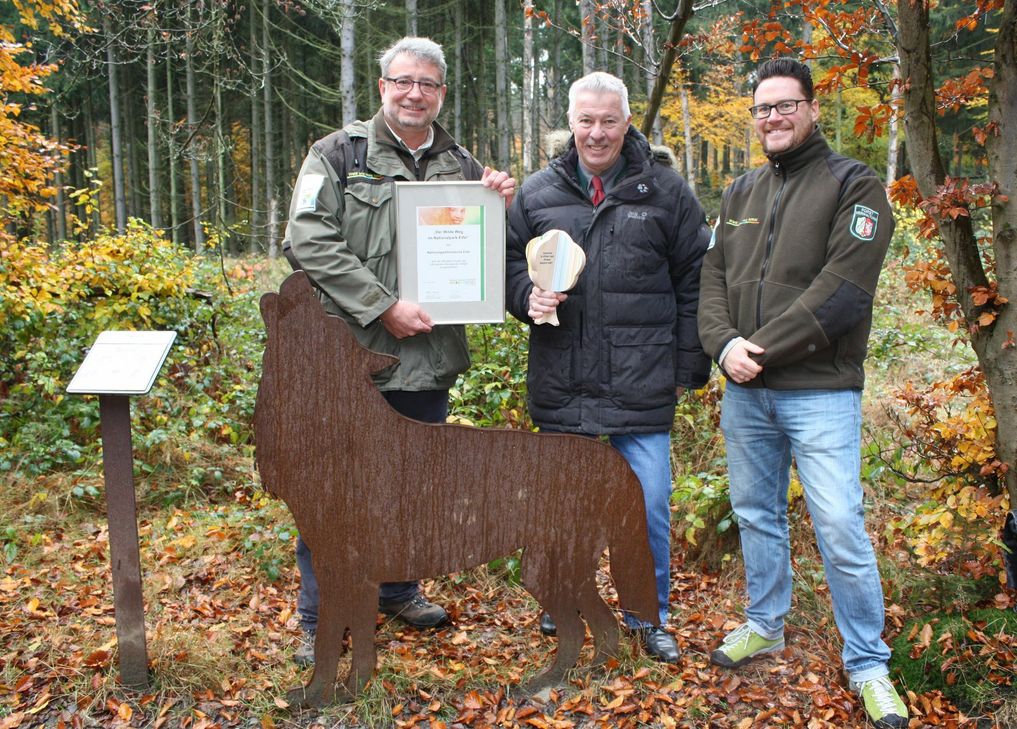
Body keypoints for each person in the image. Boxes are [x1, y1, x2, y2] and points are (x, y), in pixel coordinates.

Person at [282, 36, 515, 667]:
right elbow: (306, 241)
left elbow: (489, 260)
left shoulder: (463, 166)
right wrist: (382, 304)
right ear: (383, 87)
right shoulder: (336, 153)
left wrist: (500, 208)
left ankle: (395, 590)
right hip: (346, 361)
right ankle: (320, 613)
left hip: (425, 361)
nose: (416, 93)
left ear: (442, 93)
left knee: (411, 486)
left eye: (429, 84)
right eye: (404, 81)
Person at [697, 58, 907, 729]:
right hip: (745, 392)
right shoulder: (738, 194)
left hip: (817, 391)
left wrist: (757, 350)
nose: (773, 118)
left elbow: (842, 291)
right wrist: (722, 344)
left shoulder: (855, 185)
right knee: (755, 513)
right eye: (762, 108)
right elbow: (711, 279)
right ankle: (764, 622)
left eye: (785, 105)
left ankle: (868, 663)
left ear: (812, 108)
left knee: (840, 525)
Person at [505, 71, 712, 664]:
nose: (597, 133)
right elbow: (510, 271)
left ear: (627, 122)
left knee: (645, 504)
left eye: (609, 120)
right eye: (586, 120)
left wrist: (686, 366)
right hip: (563, 377)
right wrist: (527, 298)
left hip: (640, 380)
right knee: (561, 503)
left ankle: (649, 617)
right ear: (569, 123)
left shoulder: (667, 192)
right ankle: (562, 599)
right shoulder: (538, 193)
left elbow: (695, 281)